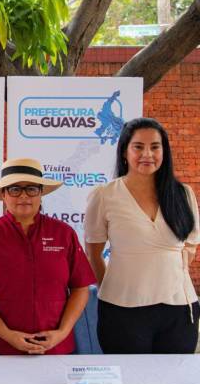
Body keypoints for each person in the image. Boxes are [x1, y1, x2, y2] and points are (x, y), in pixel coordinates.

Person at [85, 117, 200, 354]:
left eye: (155, 147)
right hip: (121, 307)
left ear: (164, 152)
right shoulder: (105, 195)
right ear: (125, 152)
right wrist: (112, 286)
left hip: (179, 308)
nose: (147, 154)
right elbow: (93, 252)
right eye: (138, 146)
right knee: (127, 381)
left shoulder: (183, 194)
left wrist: (166, 276)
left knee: (172, 383)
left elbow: (190, 244)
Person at [0, 158, 96, 355]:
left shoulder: (64, 233)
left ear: (41, 193)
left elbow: (80, 287)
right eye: (14, 189)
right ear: (3, 195)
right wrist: (8, 335)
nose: (24, 196)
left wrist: (62, 333)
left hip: (56, 347)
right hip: (2, 348)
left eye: (31, 189)